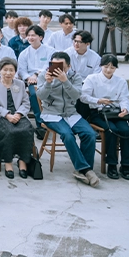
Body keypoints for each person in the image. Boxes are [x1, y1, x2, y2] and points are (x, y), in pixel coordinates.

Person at [36, 52, 98, 187]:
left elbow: (76, 96)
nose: (57, 69)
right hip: (51, 114)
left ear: (69, 66)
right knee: (67, 135)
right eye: (53, 65)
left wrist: (65, 81)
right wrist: (48, 83)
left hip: (71, 114)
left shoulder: (75, 77)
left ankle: (82, 170)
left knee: (90, 134)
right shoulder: (43, 75)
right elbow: (41, 96)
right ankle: (86, 170)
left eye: (61, 67)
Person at [80, 54, 129, 180]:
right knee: (111, 130)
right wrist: (98, 100)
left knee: (126, 131)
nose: (109, 70)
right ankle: (111, 164)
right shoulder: (92, 78)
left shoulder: (120, 81)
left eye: (112, 67)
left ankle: (126, 165)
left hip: (116, 112)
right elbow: (83, 97)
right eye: (106, 66)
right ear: (101, 66)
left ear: (116, 68)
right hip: (98, 112)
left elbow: (124, 98)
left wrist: (125, 109)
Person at [0, 58, 34, 178]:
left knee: (26, 129)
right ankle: (8, 163)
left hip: (18, 114)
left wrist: (19, 114)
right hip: (1, 115)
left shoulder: (20, 84)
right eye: (5, 70)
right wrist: (7, 115)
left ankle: (22, 161)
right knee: (9, 131)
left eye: (11, 70)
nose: (8, 73)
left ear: (15, 72)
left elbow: (26, 102)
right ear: (0, 70)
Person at [17, 25, 56, 139]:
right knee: (35, 94)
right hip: (31, 81)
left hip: (47, 78)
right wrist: (29, 78)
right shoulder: (24, 53)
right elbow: (21, 70)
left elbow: (50, 66)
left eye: (33, 35)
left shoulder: (50, 51)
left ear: (41, 37)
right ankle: (40, 124)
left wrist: (37, 74)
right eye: (28, 35)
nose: (30, 38)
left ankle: (52, 121)